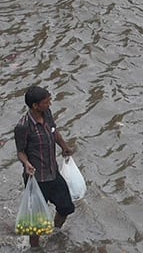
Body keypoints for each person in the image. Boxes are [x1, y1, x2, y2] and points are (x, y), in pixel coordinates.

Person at [14, 86, 75, 249]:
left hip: (53, 173)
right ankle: (35, 248)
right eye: (46, 102)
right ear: (35, 105)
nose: (50, 104)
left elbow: (54, 132)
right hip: (36, 179)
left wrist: (64, 146)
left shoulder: (47, 114)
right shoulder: (23, 127)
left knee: (66, 207)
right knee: (37, 222)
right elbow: (20, 152)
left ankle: (55, 232)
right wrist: (26, 163)